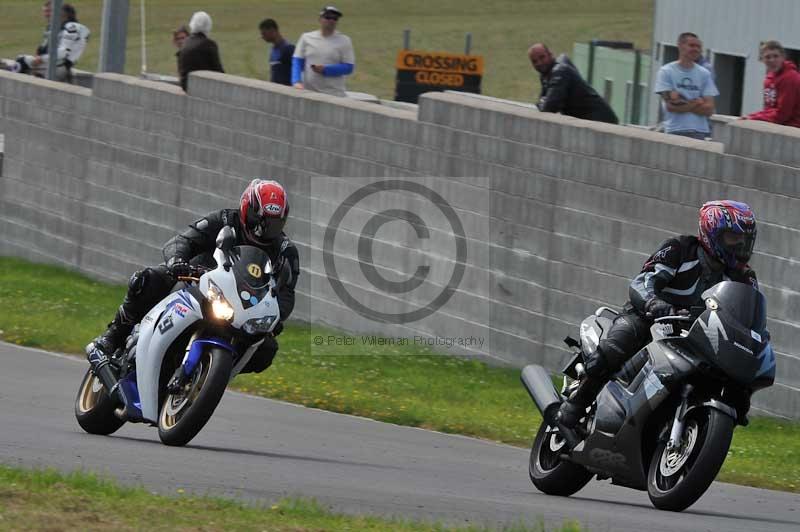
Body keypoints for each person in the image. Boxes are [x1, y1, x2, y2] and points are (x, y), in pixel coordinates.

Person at [556, 201, 760, 438]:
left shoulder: (744, 277)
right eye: (733, 238)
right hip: (651, 318)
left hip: (698, 335)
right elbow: (642, 282)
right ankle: (575, 406)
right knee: (618, 345)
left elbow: (750, 314)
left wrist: (755, 336)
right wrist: (654, 303)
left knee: (736, 388)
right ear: (712, 233)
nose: (741, 245)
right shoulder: (680, 249)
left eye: (746, 239)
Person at [85, 180, 300, 400]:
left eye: (273, 224)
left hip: (239, 306)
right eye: (260, 220)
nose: (263, 229)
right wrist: (178, 261)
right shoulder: (224, 220)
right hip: (196, 281)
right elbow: (182, 240)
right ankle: (112, 336)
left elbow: (287, 292)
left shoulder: (285, 251)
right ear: (247, 209)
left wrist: (276, 318)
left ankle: (211, 375)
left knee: (266, 350)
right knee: (148, 279)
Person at [528, 43, 618, 124]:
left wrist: (541, 102)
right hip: (590, 121)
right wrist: (543, 101)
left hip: (602, 122)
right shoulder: (546, 75)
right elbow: (546, 102)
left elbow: (549, 108)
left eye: (542, 57)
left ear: (550, 55)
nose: (539, 63)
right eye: (534, 61)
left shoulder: (560, 71)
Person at [2, 2, 90, 83]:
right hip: (54, 64)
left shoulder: (72, 27)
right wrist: (39, 56)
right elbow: (43, 48)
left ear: (63, 13)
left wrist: (41, 59)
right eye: (45, 12)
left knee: (22, 62)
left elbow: (62, 52)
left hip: (59, 66)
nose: (46, 15)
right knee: (21, 60)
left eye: (49, 11)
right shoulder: (54, 27)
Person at [654, 32, 719, 140]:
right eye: (692, 45)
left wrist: (684, 103)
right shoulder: (666, 71)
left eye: (698, 47)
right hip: (674, 130)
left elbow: (709, 109)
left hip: (700, 131)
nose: (696, 49)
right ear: (680, 46)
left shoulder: (705, 73)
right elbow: (671, 107)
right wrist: (696, 102)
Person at [291, 6, 355, 97]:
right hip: (309, 93)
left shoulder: (344, 41)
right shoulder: (306, 37)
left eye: (335, 18)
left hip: (334, 94)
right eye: (328, 17)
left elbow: (349, 67)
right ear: (320, 19)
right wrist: (296, 81)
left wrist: (326, 69)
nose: (331, 20)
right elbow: (297, 60)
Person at [743, 41, 800, 128]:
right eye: (767, 57)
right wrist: (752, 116)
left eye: (775, 56)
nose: (772, 60)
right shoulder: (769, 79)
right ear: (762, 59)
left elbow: (783, 114)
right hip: (779, 126)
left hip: (793, 129)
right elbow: (770, 109)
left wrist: (754, 117)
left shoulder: (790, 78)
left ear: (783, 57)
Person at [178, 11, 224, 91]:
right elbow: (218, 71)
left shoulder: (185, 42)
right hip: (202, 89)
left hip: (185, 86)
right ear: (209, 25)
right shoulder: (209, 44)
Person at [259, 19, 294, 86]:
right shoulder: (273, 49)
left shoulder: (289, 49)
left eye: (264, 33)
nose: (262, 37)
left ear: (272, 31)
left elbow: (299, 71)